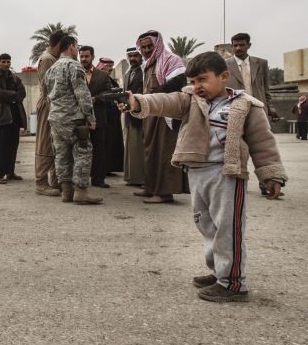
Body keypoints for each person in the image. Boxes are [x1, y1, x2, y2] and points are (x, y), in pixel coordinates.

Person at [120, 52, 287, 302]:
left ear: (224, 77)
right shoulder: (190, 100)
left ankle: (233, 284)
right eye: (194, 81)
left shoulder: (246, 106)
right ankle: (220, 272)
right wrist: (137, 102)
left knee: (227, 228)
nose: (197, 87)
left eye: (202, 80)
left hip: (227, 175)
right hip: (197, 172)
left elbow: (263, 143)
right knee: (206, 225)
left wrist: (271, 175)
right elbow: (165, 101)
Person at [44, 36, 103, 204]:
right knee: (83, 151)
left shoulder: (52, 69)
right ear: (71, 46)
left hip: (55, 118)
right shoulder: (74, 65)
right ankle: (81, 191)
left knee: (61, 154)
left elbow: (48, 95)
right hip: (74, 119)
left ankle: (66, 191)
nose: (77, 50)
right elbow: (83, 94)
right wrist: (90, 117)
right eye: (77, 47)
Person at [136, 30, 188, 204]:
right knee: (150, 151)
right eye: (143, 47)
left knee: (164, 152)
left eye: (150, 46)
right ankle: (151, 188)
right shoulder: (148, 65)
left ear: (157, 44)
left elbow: (178, 82)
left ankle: (165, 192)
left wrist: (156, 93)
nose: (147, 50)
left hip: (165, 113)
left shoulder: (170, 60)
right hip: (150, 113)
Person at [226, 33, 281, 196]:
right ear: (231, 46)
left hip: (258, 109)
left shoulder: (261, 63)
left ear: (248, 45)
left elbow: (265, 88)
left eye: (241, 45)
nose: (238, 48)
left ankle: (266, 182)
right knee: (237, 147)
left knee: (263, 146)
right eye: (235, 45)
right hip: (235, 110)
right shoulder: (225, 64)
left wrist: (270, 107)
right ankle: (238, 182)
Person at [0, 53, 27, 184]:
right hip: (2, 116)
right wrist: (14, 95)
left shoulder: (15, 78)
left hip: (15, 116)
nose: (6, 64)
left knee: (12, 145)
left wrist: (11, 96)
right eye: (3, 61)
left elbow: (22, 93)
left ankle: (10, 172)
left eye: (8, 61)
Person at [34, 30, 64, 196]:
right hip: (47, 105)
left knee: (54, 144)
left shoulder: (54, 59)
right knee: (45, 143)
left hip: (54, 105)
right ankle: (41, 182)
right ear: (59, 44)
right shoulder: (47, 59)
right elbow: (47, 88)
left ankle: (55, 180)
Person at [79, 46, 111, 188]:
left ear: (92, 57)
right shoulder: (75, 73)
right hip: (80, 118)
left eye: (86, 56)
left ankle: (98, 179)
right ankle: (81, 179)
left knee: (99, 149)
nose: (84, 59)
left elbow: (108, 93)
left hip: (99, 117)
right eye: (82, 56)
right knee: (81, 149)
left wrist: (96, 99)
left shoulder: (103, 76)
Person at [96, 57, 124, 175]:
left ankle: (110, 168)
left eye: (111, 66)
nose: (110, 69)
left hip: (113, 117)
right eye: (108, 66)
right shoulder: (98, 79)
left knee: (112, 143)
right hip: (104, 116)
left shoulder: (110, 80)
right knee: (104, 144)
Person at [122, 47, 145, 187]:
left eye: (135, 56)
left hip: (142, 113)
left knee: (141, 147)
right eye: (130, 56)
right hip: (129, 114)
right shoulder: (128, 72)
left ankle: (144, 179)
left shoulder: (144, 72)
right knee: (131, 146)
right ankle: (133, 177)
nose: (132, 59)